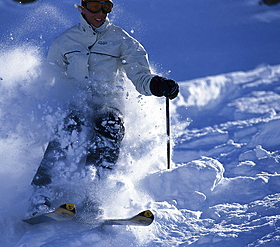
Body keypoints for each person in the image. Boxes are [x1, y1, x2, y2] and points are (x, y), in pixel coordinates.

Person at [28, 0, 179, 216]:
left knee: (110, 125)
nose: (101, 13)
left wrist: (157, 84)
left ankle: (94, 197)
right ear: (82, 8)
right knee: (70, 126)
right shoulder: (64, 42)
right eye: (95, 6)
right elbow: (50, 80)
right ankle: (40, 195)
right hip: (75, 102)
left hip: (108, 104)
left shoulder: (121, 40)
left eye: (106, 7)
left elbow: (140, 75)